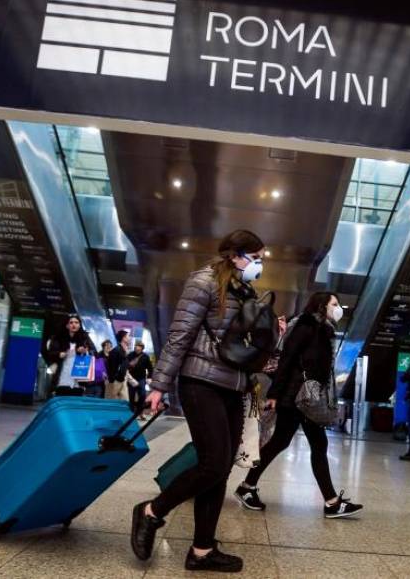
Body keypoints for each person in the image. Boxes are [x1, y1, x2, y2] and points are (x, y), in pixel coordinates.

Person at [131, 229, 267, 573]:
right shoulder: (203, 282)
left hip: (233, 386)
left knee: (220, 470)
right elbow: (180, 335)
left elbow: (240, 342)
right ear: (236, 255)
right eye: (256, 257)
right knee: (213, 464)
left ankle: (202, 550)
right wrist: (159, 384)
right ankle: (151, 511)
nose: (260, 264)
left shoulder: (245, 288)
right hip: (200, 380)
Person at [235, 292, 363, 519]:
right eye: (334, 304)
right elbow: (287, 359)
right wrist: (274, 394)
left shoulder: (323, 330)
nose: (338, 308)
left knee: (281, 442)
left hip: (305, 397)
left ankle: (247, 487)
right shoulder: (306, 326)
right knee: (315, 444)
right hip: (298, 397)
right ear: (322, 306)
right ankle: (331, 503)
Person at [46, 315, 96, 397]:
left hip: (79, 377)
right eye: (71, 322)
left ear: (79, 325)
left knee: (75, 402)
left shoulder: (85, 339)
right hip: (62, 375)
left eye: (76, 322)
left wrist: (85, 351)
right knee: (61, 399)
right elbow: (50, 354)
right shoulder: (58, 338)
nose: (74, 325)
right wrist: (59, 354)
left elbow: (93, 352)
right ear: (67, 325)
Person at [126, 341, 153, 414]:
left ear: (141, 348)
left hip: (141, 379)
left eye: (137, 346)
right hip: (131, 379)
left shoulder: (145, 356)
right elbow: (125, 366)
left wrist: (149, 377)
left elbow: (150, 368)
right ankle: (131, 412)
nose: (136, 347)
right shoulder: (130, 355)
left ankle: (139, 410)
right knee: (131, 396)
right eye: (135, 345)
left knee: (143, 395)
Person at [106, 330, 131, 400]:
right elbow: (111, 367)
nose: (130, 338)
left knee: (125, 401)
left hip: (122, 380)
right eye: (128, 336)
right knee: (112, 402)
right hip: (116, 381)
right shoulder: (116, 351)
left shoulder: (125, 351)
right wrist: (114, 378)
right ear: (124, 338)